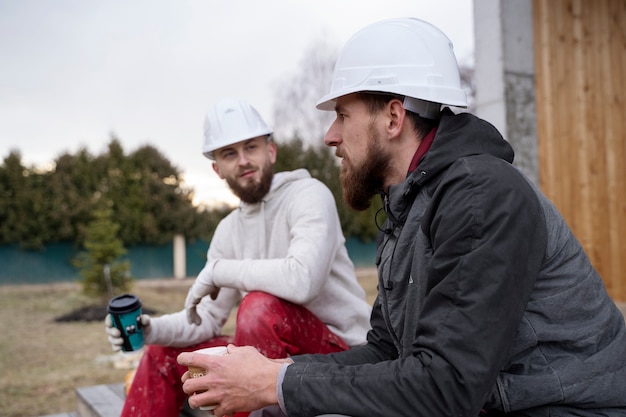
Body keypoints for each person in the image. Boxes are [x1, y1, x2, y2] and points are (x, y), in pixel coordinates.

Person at [177, 18, 626, 417]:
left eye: (342, 115)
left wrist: (274, 384)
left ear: (393, 117)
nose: (330, 136)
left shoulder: (481, 194)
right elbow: (387, 352)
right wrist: (274, 374)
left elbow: (446, 388)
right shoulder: (410, 207)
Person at [105, 97, 372, 417]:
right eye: (230, 153)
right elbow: (205, 319)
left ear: (270, 151)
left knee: (259, 308)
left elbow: (303, 281)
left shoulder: (309, 195)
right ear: (217, 169)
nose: (243, 160)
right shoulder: (228, 230)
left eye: (251, 147)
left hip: (340, 356)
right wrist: (149, 330)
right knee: (164, 356)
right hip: (272, 358)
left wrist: (219, 270)